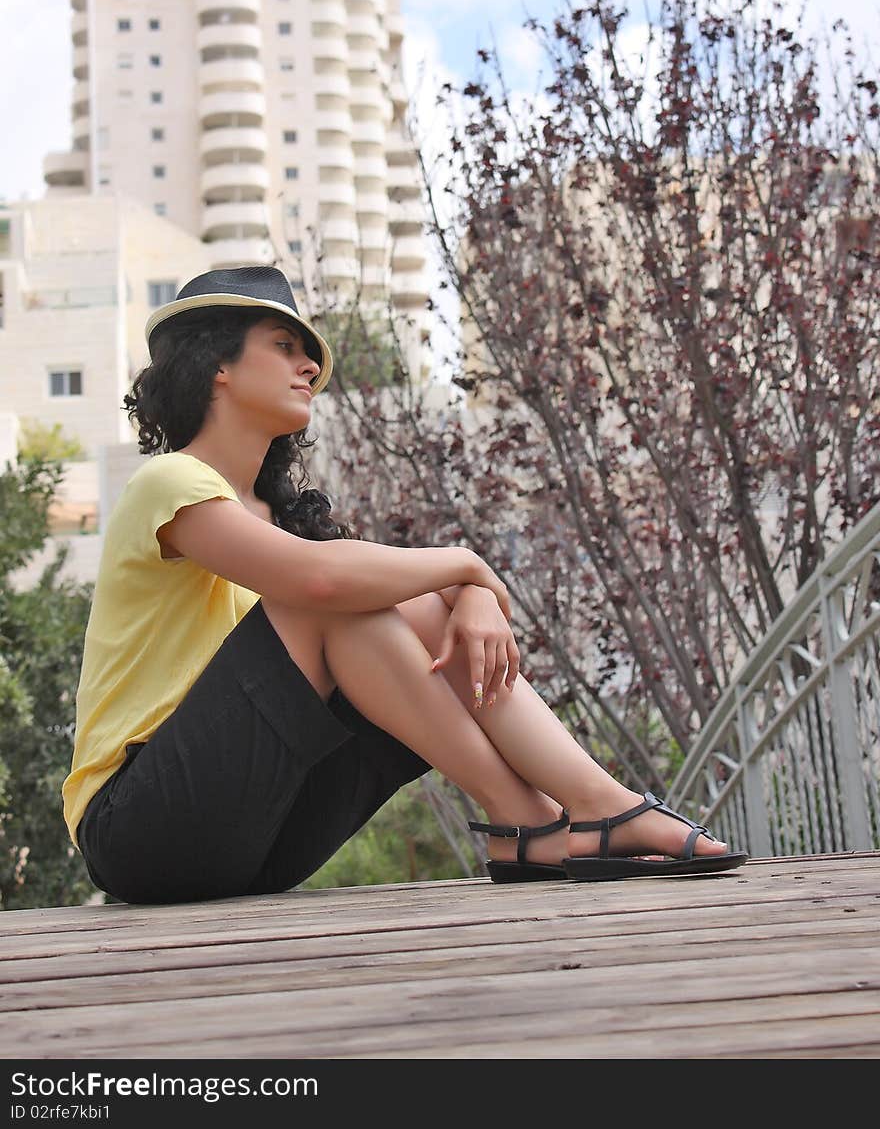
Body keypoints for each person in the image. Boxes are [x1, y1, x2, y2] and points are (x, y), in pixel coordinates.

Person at [62, 265, 747, 904]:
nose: (310, 367)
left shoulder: (280, 523)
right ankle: (547, 819)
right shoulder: (169, 483)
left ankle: (571, 811)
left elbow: (376, 589)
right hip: (139, 829)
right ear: (216, 365)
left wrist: (471, 594)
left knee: (388, 605)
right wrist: (469, 564)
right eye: (283, 345)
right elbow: (323, 584)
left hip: (258, 842)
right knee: (335, 601)